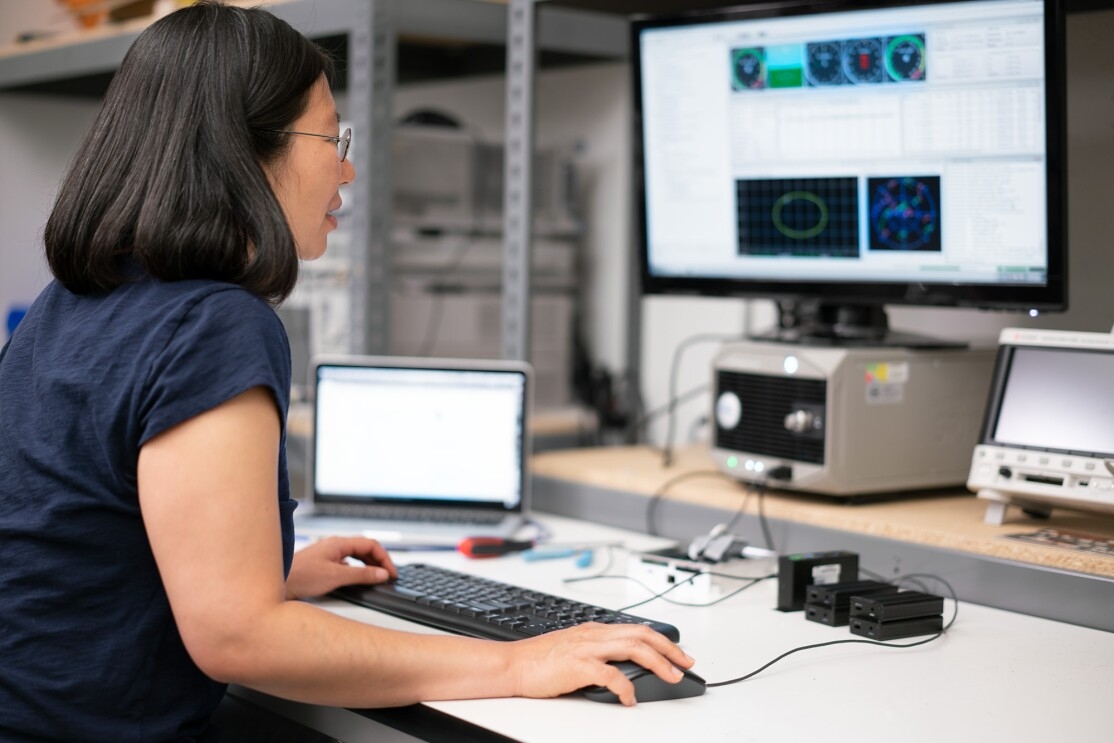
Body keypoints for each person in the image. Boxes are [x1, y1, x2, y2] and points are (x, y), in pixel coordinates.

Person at [0, 2, 695, 740]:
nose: (348, 166)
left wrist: (273, 571)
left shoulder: (73, 301)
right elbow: (239, 640)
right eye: (333, 137)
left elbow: (75, 545)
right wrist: (515, 662)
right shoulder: (212, 323)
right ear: (247, 148)